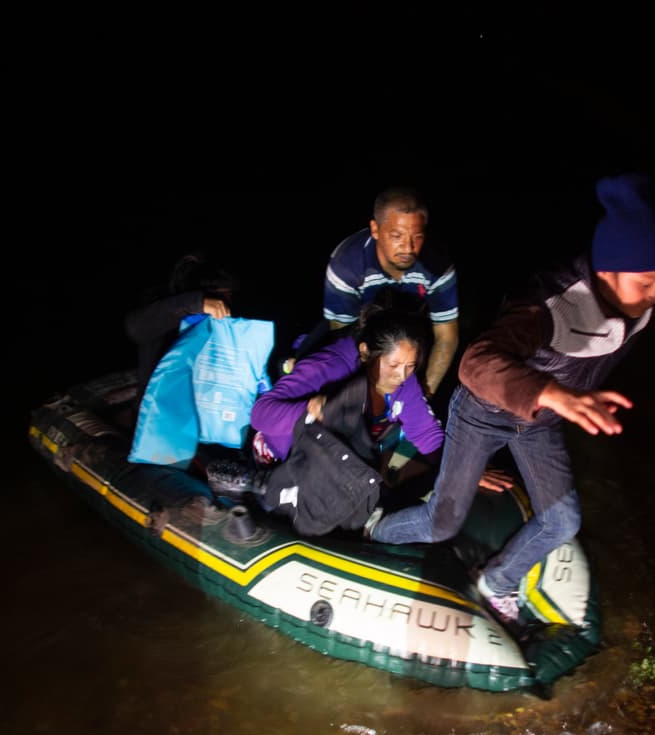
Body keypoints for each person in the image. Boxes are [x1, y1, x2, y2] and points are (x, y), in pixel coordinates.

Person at [365, 173, 655, 624]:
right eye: (645, 283)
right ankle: (374, 528)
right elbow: (478, 363)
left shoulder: (649, 291)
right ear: (607, 272)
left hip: (541, 421)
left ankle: (498, 582)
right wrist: (551, 392)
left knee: (563, 521)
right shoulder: (552, 304)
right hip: (483, 413)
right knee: (442, 523)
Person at [206, 303, 445, 535]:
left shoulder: (406, 383)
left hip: (339, 461)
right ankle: (262, 483)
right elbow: (261, 414)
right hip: (287, 454)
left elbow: (428, 435)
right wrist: (309, 409)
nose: (401, 376)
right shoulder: (329, 366)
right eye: (393, 365)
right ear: (365, 352)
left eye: (410, 366)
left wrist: (460, 469)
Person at [287, 187, 459, 398]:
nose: (408, 247)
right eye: (397, 236)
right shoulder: (346, 264)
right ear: (375, 229)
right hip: (358, 326)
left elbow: (447, 336)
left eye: (417, 236)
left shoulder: (438, 264)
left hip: (410, 326)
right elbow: (343, 337)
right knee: (306, 361)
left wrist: (424, 393)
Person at [123, 251, 241, 409]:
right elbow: (135, 327)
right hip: (158, 414)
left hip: (206, 410)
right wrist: (197, 303)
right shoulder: (167, 312)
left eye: (229, 295)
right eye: (220, 296)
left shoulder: (225, 324)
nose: (224, 303)